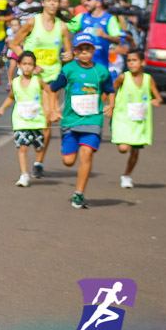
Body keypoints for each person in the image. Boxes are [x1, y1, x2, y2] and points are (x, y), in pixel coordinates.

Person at [46, 33, 116, 209]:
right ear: (75, 51)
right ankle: (69, 145)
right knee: (68, 161)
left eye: (87, 49)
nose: (84, 53)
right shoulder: (68, 69)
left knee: (87, 153)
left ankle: (79, 194)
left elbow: (110, 89)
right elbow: (52, 89)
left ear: (93, 50)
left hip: (93, 119)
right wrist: (53, 109)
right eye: (80, 49)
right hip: (71, 119)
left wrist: (111, 105)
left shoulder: (101, 71)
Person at [9, 0, 73, 176]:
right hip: (31, 77)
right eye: (49, 0)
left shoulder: (62, 27)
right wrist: (28, 62)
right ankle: (25, 146)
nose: (52, 4)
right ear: (43, 3)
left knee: (46, 119)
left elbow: (68, 55)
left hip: (51, 77)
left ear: (59, 4)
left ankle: (38, 162)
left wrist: (69, 55)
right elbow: (14, 44)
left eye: (56, 1)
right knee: (30, 116)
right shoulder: (32, 22)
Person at [0, 51, 48, 188]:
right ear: (18, 65)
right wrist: (2, 108)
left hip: (36, 120)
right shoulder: (15, 83)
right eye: (24, 64)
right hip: (20, 121)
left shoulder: (38, 81)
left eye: (30, 64)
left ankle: (37, 160)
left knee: (39, 148)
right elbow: (11, 97)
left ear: (34, 66)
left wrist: (50, 109)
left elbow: (49, 92)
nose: (27, 67)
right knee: (22, 147)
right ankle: (24, 174)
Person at [110, 49, 161, 190]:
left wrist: (156, 100)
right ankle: (126, 173)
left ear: (142, 62)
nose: (131, 64)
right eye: (129, 61)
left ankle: (127, 175)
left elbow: (157, 96)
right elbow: (110, 90)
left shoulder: (148, 79)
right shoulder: (123, 78)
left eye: (134, 61)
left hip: (139, 120)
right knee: (123, 148)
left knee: (135, 150)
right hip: (122, 118)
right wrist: (109, 104)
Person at [68, 0, 123, 74]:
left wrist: (105, 35)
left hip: (100, 66)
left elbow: (118, 40)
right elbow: (65, 27)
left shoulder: (109, 19)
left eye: (89, 0)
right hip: (81, 65)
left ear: (98, 3)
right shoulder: (82, 17)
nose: (86, 3)